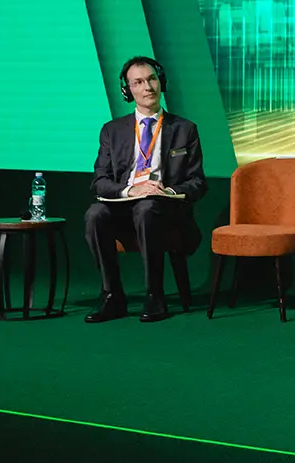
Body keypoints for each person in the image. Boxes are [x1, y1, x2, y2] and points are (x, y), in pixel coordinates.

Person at [84, 56, 207, 323]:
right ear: (127, 90)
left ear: (161, 82)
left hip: (165, 208)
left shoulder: (185, 129)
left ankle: (155, 295)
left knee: (147, 207)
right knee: (95, 214)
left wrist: (168, 192)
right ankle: (112, 295)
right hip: (125, 204)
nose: (147, 87)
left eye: (151, 79)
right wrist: (131, 190)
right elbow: (99, 181)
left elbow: (198, 182)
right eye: (138, 82)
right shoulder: (112, 130)